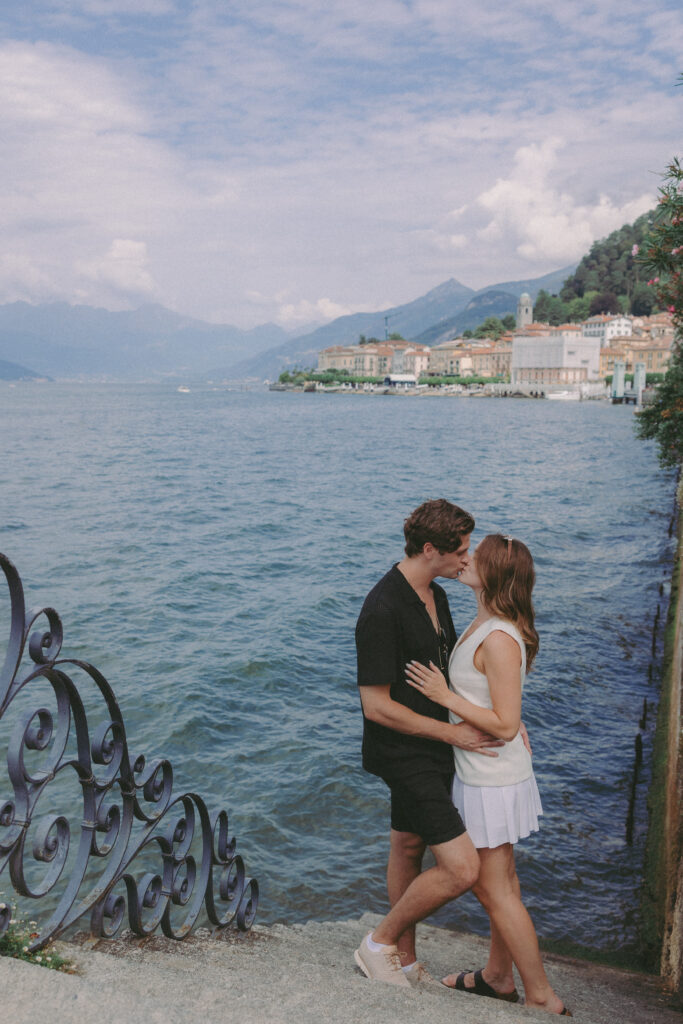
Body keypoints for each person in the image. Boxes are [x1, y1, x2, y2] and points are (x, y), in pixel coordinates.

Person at [405, 533, 571, 1016]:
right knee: (506, 885)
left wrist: (444, 696)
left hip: (490, 777)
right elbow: (505, 709)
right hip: (491, 770)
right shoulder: (487, 621)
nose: (466, 558)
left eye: (476, 556)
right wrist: (499, 715)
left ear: (494, 573)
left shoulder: (498, 637)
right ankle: (499, 977)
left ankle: (541, 995)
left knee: (492, 888)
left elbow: (503, 721)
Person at [354, 499, 504, 988]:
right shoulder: (382, 608)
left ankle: (406, 959)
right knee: (461, 868)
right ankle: (379, 944)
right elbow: (375, 706)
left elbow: (449, 680)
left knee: (408, 844)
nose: (467, 559)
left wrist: (503, 720)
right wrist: (453, 731)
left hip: (437, 746)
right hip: (404, 752)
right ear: (428, 548)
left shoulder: (436, 596)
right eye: (459, 551)